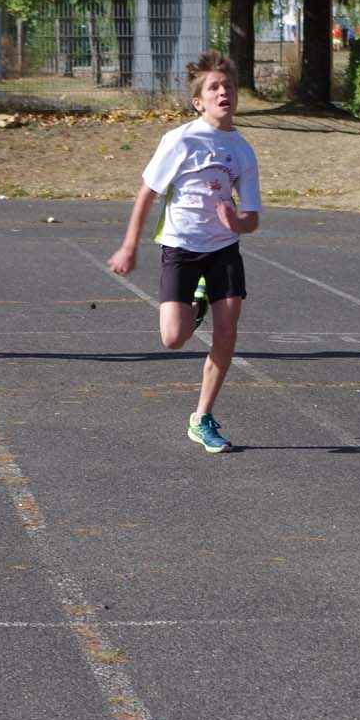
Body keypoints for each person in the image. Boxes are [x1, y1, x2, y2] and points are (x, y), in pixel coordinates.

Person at [107, 50, 261, 453]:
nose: (223, 92)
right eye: (214, 87)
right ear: (199, 101)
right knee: (173, 338)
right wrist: (129, 247)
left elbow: (252, 218)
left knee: (227, 335)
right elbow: (147, 193)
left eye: (228, 86)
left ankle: (202, 417)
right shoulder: (180, 140)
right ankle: (197, 304)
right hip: (181, 246)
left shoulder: (243, 151)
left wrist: (237, 223)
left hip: (224, 248)